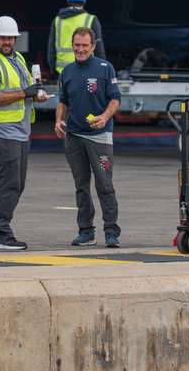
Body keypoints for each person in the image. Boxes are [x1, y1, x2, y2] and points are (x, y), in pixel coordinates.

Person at [0, 15, 48, 250]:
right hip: (3, 132)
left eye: (10, 38)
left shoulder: (18, 59)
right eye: (2, 38)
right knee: (9, 183)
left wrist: (36, 94)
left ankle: (1, 229)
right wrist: (26, 92)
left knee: (17, 184)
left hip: (20, 131)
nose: (7, 42)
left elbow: (26, 90)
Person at [54, 27, 122, 248]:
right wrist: (58, 120)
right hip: (74, 136)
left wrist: (104, 117)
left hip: (99, 137)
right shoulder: (67, 72)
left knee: (104, 185)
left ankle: (111, 232)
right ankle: (86, 232)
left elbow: (115, 99)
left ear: (93, 46)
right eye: (77, 45)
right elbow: (62, 101)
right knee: (81, 186)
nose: (80, 49)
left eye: (85, 45)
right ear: (72, 46)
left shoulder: (105, 68)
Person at [48, 0, 104, 76]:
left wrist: (52, 70)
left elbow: (51, 49)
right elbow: (99, 49)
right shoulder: (91, 19)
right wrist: (102, 70)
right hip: (87, 71)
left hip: (63, 72)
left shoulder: (57, 20)